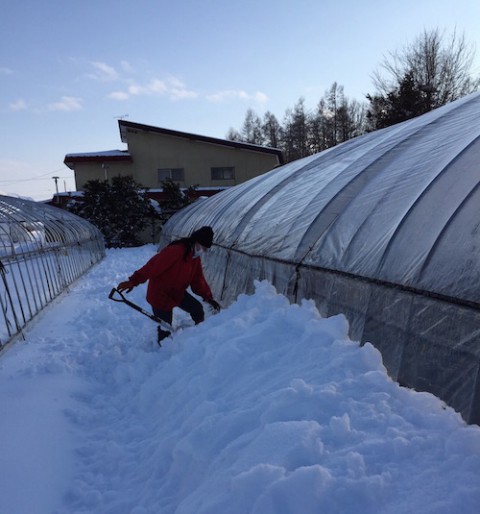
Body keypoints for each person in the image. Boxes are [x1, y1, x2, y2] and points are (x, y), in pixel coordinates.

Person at [117, 226, 221, 344]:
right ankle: (164, 353)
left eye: (206, 249)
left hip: (177, 293)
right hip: (160, 295)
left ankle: (199, 337)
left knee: (197, 309)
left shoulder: (194, 258)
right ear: (195, 242)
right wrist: (133, 281)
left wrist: (208, 297)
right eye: (203, 247)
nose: (204, 251)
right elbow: (152, 267)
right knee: (165, 328)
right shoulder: (176, 251)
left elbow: (198, 281)